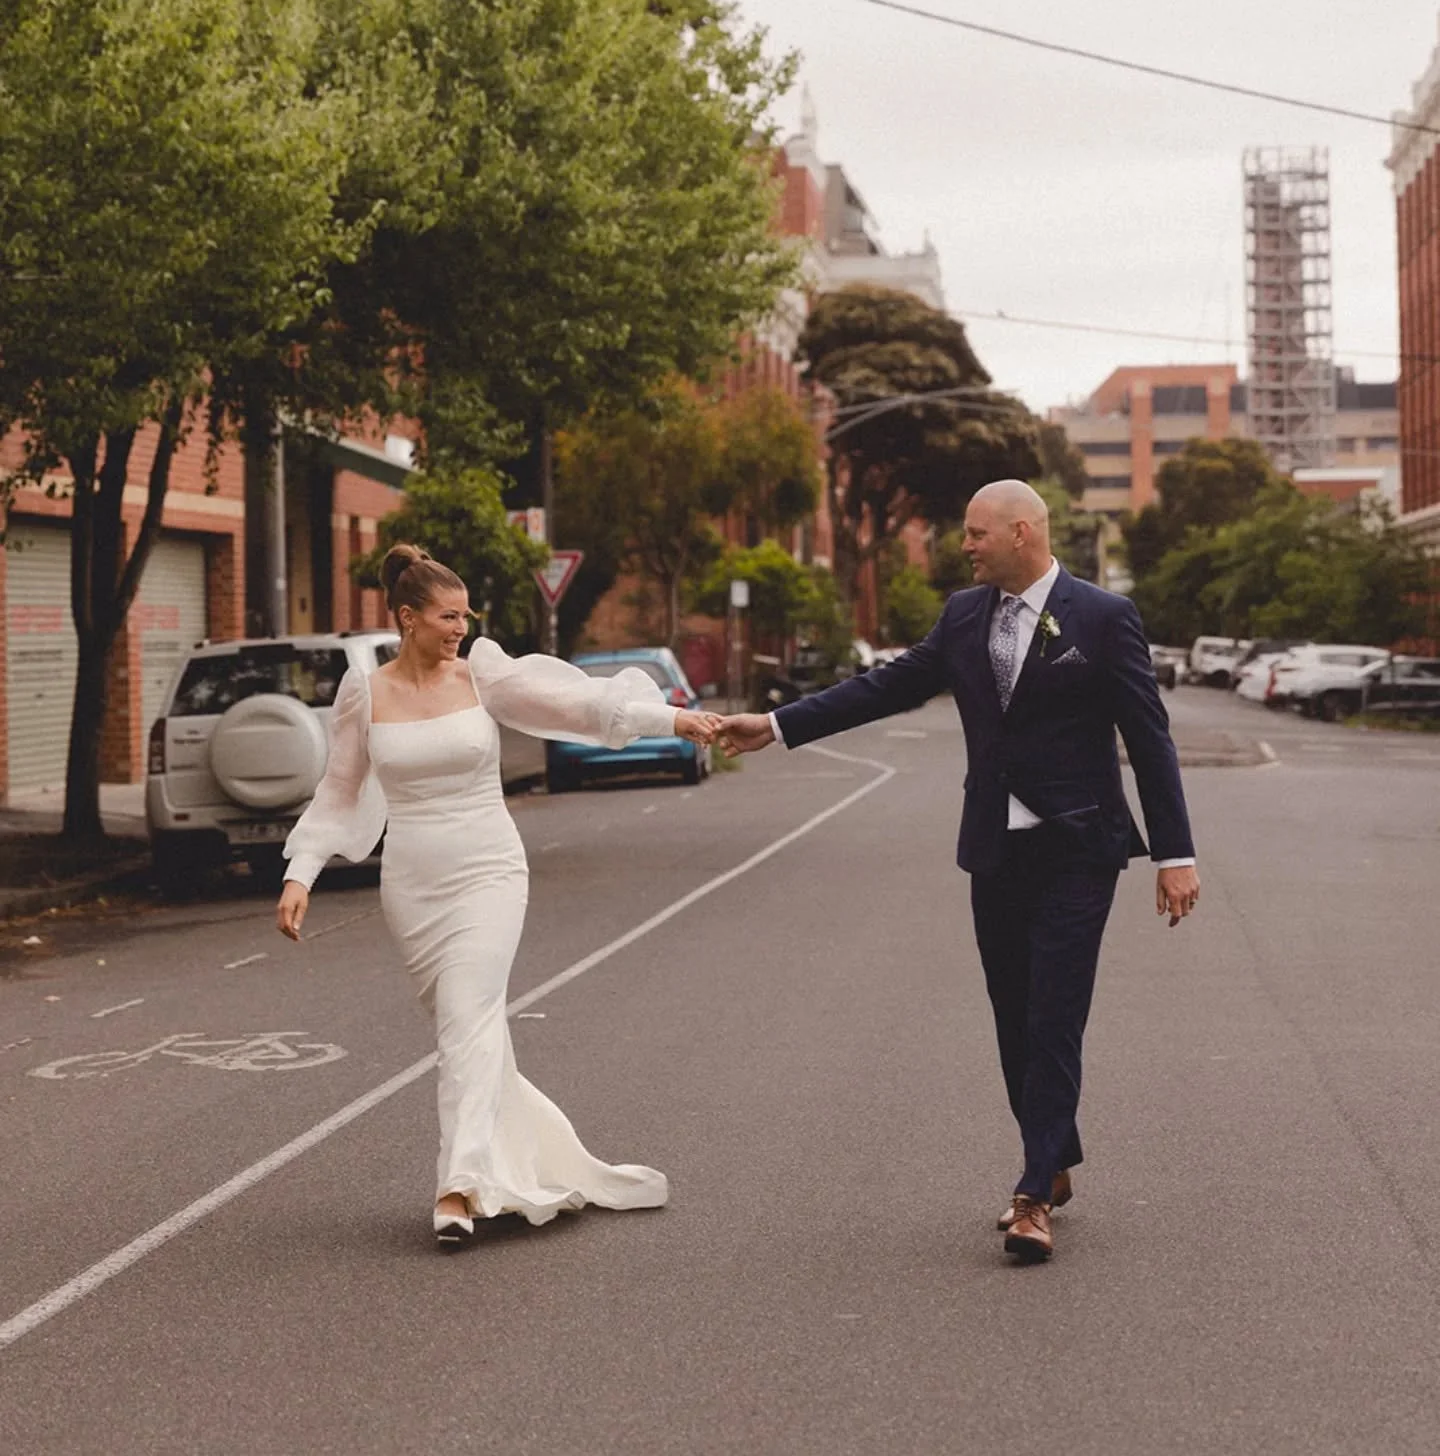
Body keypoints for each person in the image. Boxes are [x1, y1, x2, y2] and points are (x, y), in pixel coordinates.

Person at [718, 480, 1198, 1265]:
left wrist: (1174, 856)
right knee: (1013, 1011)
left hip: (1081, 847)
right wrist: (775, 726)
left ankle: (1034, 1190)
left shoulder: (1104, 619)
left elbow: (1150, 740)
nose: (964, 546)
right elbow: (885, 686)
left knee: (1054, 1013)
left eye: (976, 534)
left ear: (1021, 532)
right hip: (996, 848)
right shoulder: (963, 615)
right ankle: (1056, 1150)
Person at [276, 543, 722, 1248]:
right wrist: (300, 873)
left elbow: (576, 706)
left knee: (467, 1021)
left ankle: (459, 1187)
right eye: (447, 615)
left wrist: (673, 720)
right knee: (471, 1038)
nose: (461, 625)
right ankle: (527, 1161)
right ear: (407, 617)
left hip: (489, 869)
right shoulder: (365, 691)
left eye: (465, 614)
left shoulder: (482, 674)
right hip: (413, 886)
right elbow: (339, 791)